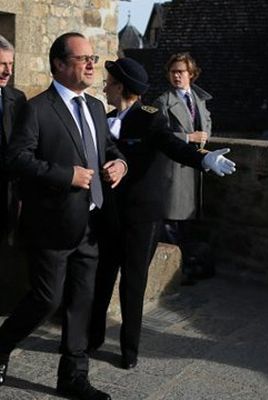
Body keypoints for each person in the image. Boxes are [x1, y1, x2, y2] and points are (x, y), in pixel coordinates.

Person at [0, 32, 127, 400]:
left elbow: (109, 146)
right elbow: (16, 160)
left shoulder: (95, 107)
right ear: (58, 64)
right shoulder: (36, 108)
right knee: (46, 299)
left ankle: (73, 376)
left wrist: (119, 163)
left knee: (82, 302)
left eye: (93, 58)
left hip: (91, 225)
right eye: (82, 58)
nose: (91, 64)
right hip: (51, 224)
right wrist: (65, 174)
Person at [89, 57, 235, 370]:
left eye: (110, 83)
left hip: (141, 216)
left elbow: (172, 145)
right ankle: (93, 338)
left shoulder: (150, 118)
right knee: (102, 276)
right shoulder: (104, 117)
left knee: (133, 281)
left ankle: (129, 351)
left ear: (122, 87)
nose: (105, 87)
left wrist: (204, 160)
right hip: (109, 213)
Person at [153, 52, 213, 285]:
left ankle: (190, 265)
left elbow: (206, 125)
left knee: (189, 223)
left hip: (195, 167)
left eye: (181, 72)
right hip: (175, 168)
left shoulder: (199, 99)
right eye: (173, 72)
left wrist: (205, 138)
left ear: (191, 74)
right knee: (173, 222)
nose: (177, 76)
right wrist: (188, 137)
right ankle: (177, 271)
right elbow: (158, 136)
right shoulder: (162, 102)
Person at [0, 35, 26, 243]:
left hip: (9, 200)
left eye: (11, 64)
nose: (8, 71)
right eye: (2, 64)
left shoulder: (17, 99)